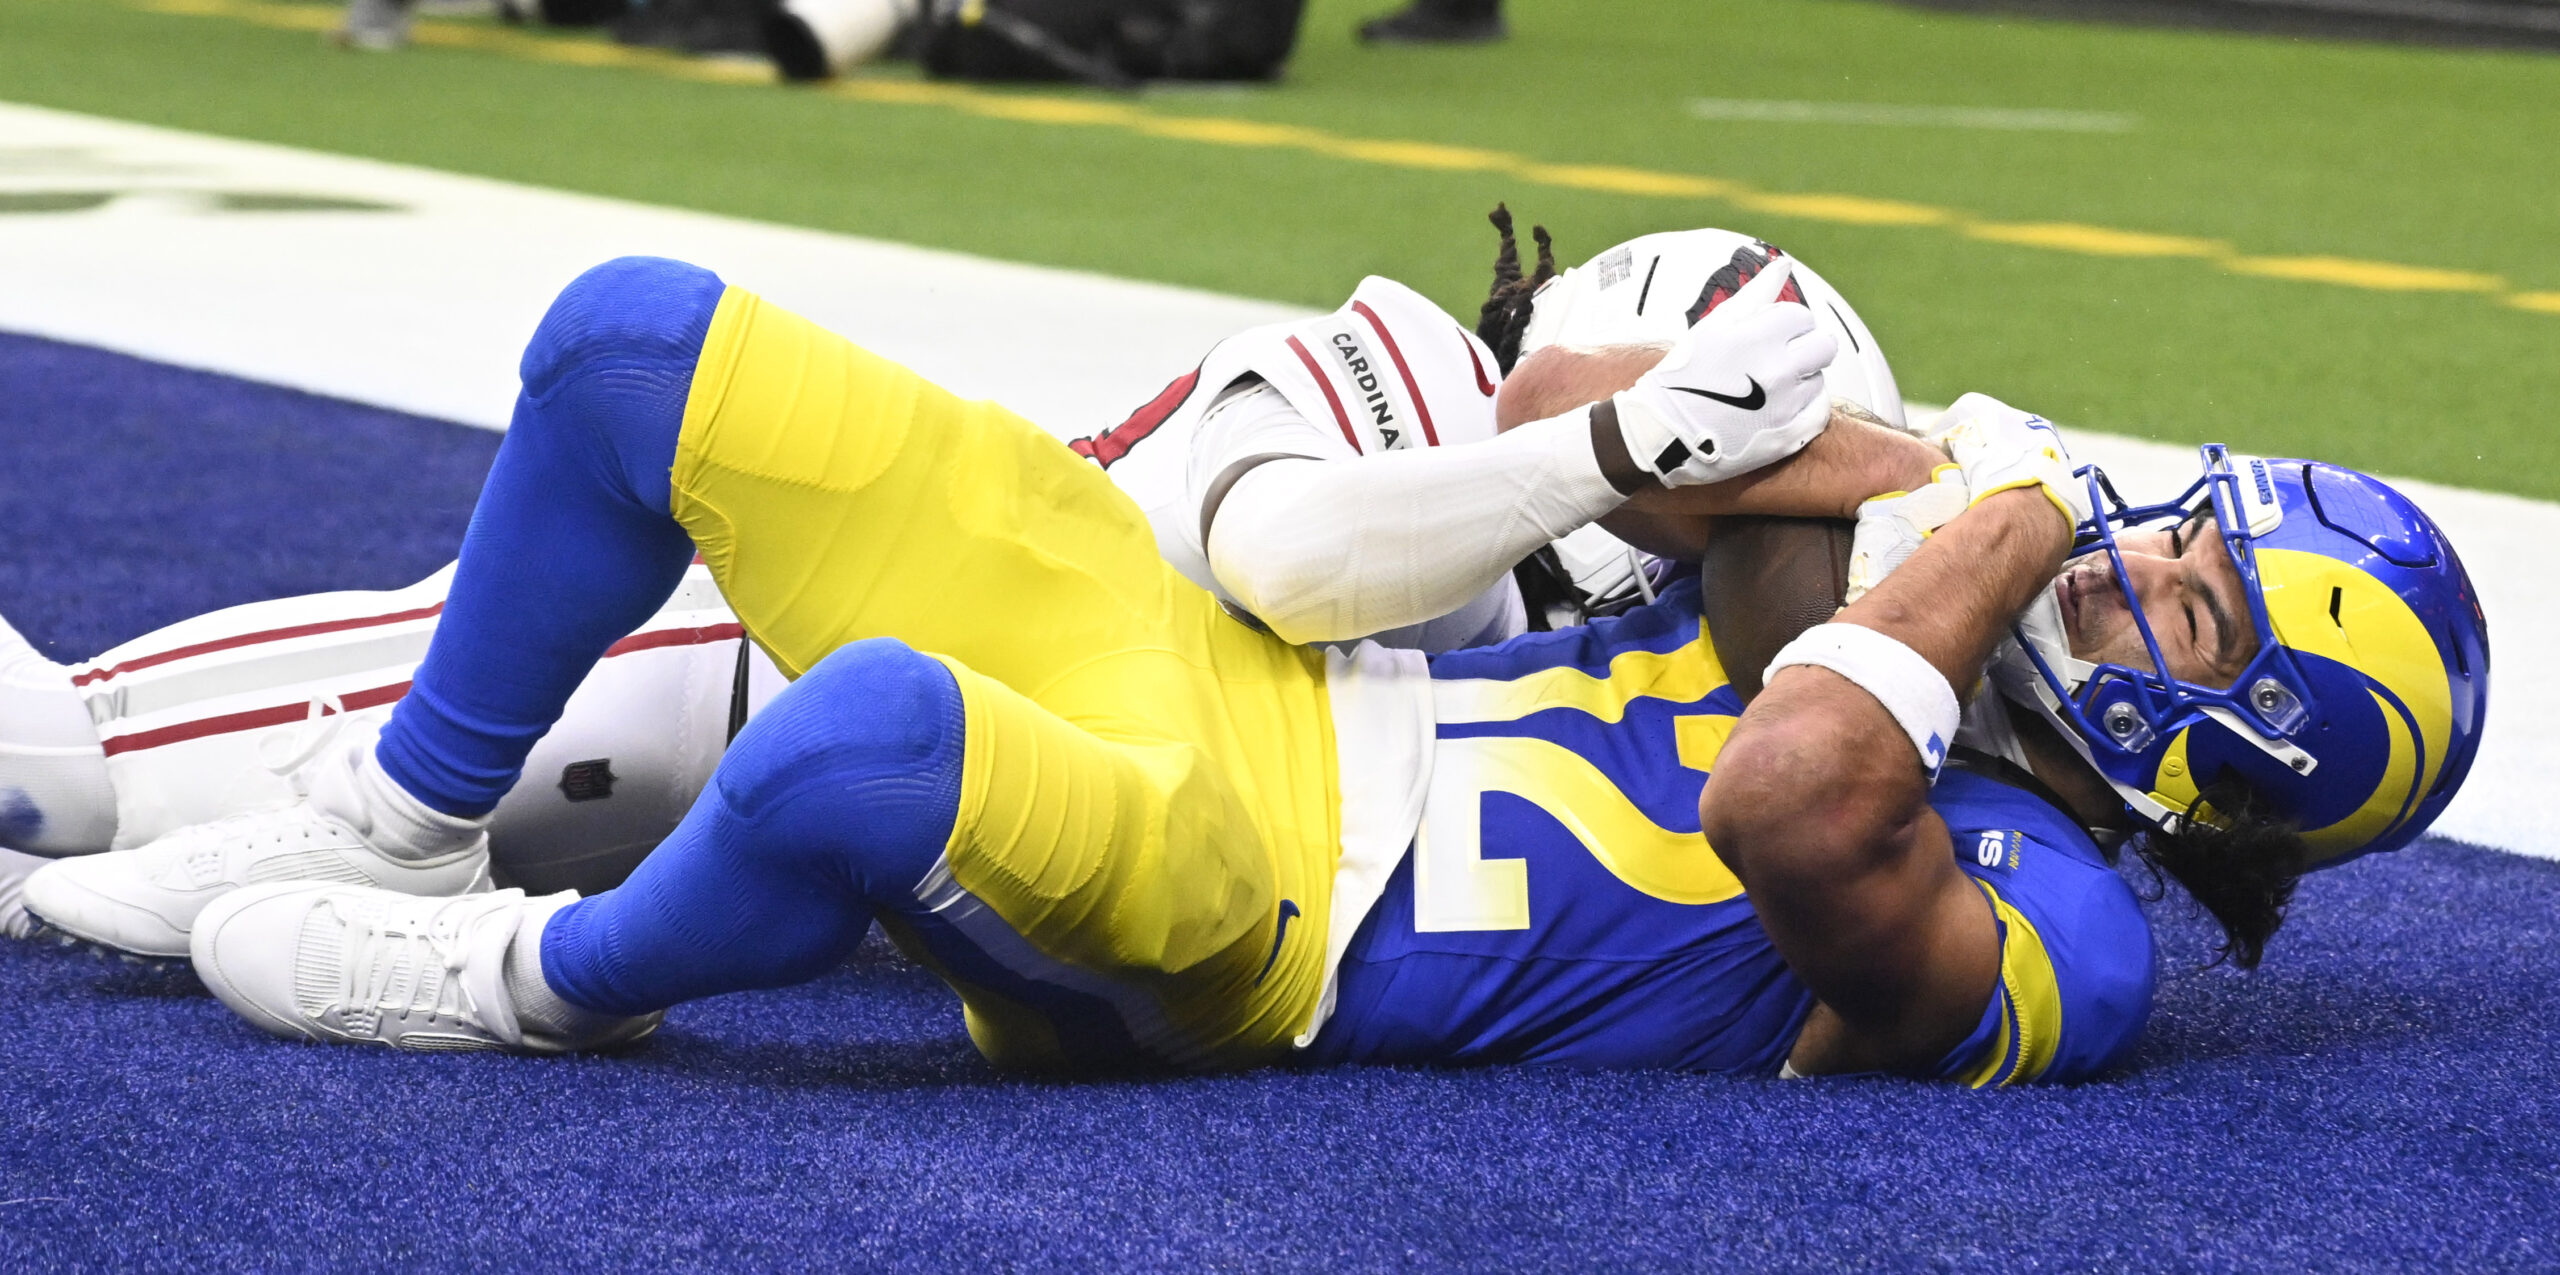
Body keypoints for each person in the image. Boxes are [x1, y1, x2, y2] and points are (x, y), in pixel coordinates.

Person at [65, 250, 2485, 1081]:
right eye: (2159, 523)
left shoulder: (2055, 935)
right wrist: (1838, 443)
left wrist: (2017, 505)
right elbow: (1588, 419)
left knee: (867, 738)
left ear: (2234, 752)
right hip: (1231, 674)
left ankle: (512, 975)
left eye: (2175, 585)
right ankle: (381, 807)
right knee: (635, 351)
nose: (2121, 547)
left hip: (1253, 921)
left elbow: (1797, 803)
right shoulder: (1878, 605)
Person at [7, 217, 1914, 946]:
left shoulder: (1602, 624)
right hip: (687, 664)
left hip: (873, 819)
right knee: (58, 785)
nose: (1725, 466)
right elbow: (1290, 556)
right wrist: (1607, 456)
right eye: (1713, 416)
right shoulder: (1404, 374)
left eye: (1765, 458)